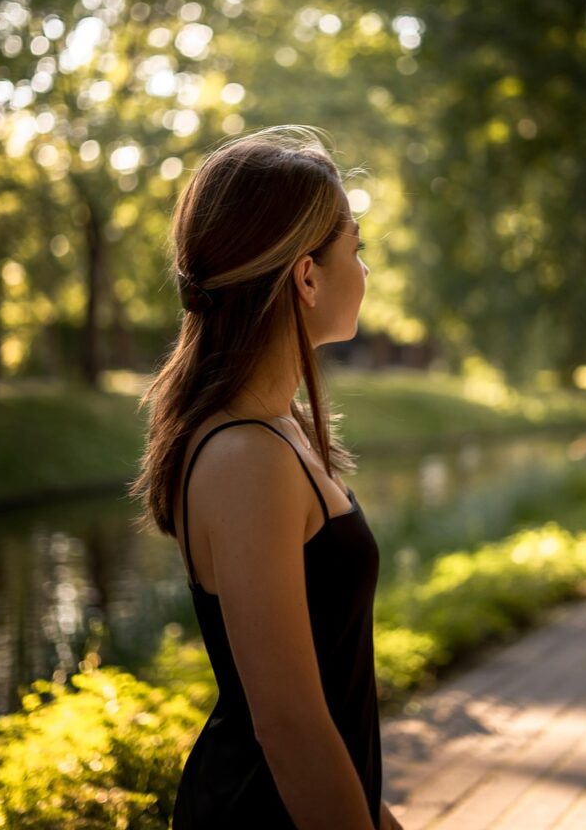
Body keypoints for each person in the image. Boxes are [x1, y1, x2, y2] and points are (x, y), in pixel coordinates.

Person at [129, 125, 405, 830]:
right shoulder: (246, 459)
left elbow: (329, 707)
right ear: (306, 276)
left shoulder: (277, 432)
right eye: (357, 251)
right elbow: (289, 728)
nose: (366, 273)